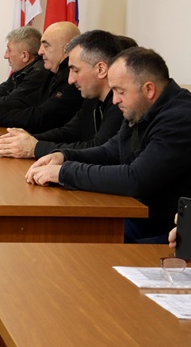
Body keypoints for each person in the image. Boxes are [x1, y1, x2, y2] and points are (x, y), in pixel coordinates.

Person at [25, 47, 191, 243]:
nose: (115, 100)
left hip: (170, 232)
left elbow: (135, 179)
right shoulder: (141, 108)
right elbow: (111, 151)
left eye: (120, 91)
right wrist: (64, 156)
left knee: (88, 246)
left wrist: (64, 173)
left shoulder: (180, 117)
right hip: (143, 217)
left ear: (149, 89)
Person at [0, 30, 127, 159]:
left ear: (101, 69)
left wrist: (36, 148)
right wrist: (27, 140)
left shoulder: (120, 104)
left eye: (76, 70)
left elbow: (98, 149)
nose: (71, 80)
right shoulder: (92, 97)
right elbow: (70, 132)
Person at [0, 21, 82, 132]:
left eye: (46, 46)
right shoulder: (54, 71)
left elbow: (40, 116)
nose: (40, 51)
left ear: (67, 49)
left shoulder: (50, 73)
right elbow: (2, 93)